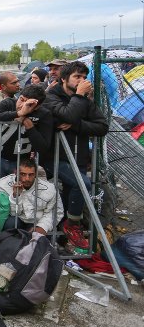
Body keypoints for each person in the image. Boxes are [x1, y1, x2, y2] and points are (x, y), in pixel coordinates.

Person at [43, 61, 108, 252]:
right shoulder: (52, 96)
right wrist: (79, 96)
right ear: (64, 79)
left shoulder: (85, 100)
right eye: (77, 77)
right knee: (82, 184)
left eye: (84, 77)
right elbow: (66, 115)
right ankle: (73, 225)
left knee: (70, 194)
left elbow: (101, 126)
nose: (82, 81)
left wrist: (76, 126)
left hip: (78, 156)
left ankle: (63, 237)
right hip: (55, 157)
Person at [0, 84, 53, 177]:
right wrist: (17, 114)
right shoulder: (9, 103)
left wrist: (30, 126)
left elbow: (43, 147)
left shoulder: (44, 114)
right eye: (21, 99)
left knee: (16, 190)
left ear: (37, 106)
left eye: (29, 104)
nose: (22, 105)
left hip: (20, 162)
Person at [0, 158, 63, 234]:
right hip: (16, 220)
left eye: (31, 175)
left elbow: (55, 212)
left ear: (35, 174)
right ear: (15, 173)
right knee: (10, 223)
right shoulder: (3, 185)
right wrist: (16, 196)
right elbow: (10, 213)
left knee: (43, 238)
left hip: (37, 221)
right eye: (23, 174)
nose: (27, 179)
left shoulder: (49, 189)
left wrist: (42, 227)